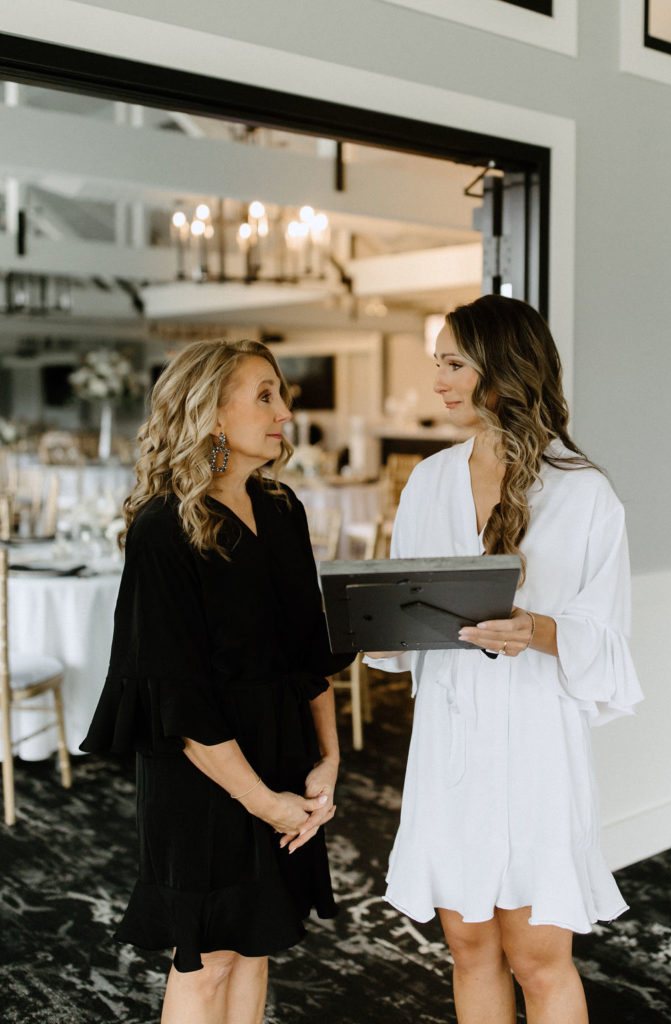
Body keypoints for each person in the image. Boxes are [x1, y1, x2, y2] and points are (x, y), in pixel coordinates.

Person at [365, 295, 643, 1024]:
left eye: (453, 363)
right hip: (450, 747)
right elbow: (410, 610)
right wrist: (376, 624)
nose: (439, 381)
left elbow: (607, 638)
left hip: (534, 746)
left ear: (502, 367)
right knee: (466, 945)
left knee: (536, 956)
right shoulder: (426, 481)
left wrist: (536, 629)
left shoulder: (584, 493)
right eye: (437, 365)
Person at [81, 339, 352, 1024]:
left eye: (280, 392)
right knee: (208, 958)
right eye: (264, 394)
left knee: (257, 942)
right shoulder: (162, 530)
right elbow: (179, 704)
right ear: (208, 412)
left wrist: (328, 759)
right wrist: (264, 804)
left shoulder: (282, 508)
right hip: (204, 777)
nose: (284, 411)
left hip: (281, 754)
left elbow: (307, 652)